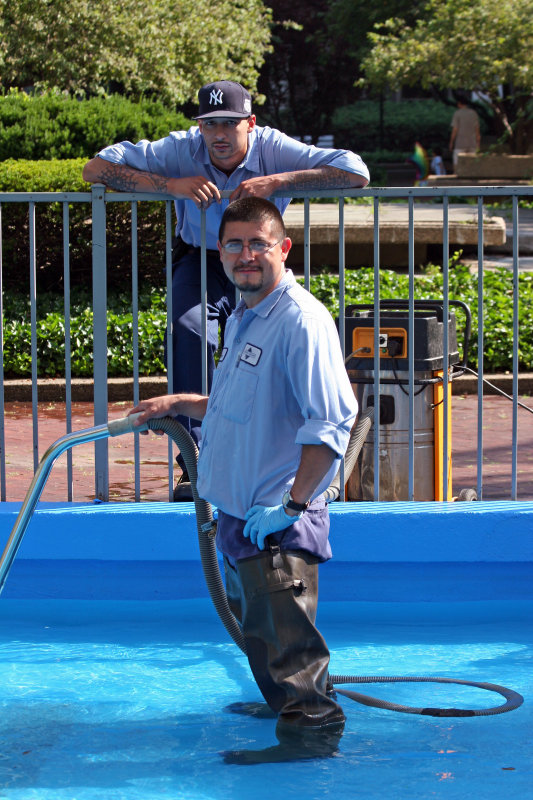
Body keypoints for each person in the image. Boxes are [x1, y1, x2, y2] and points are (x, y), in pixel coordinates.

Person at [129, 197, 358, 763]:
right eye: (234, 244)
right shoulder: (243, 315)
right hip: (240, 518)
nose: (245, 255)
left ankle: (309, 736)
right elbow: (245, 403)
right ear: (220, 253)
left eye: (258, 243)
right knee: (264, 633)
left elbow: (332, 421)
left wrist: (293, 505)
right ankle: (283, 701)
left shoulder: (301, 321)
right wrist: (185, 402)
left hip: (274, 521)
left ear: (283, 248)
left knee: (288, 642)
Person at [83, 80, 369, 500]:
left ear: (250, 124)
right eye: (209, 124)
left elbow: (356, 171)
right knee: (190, 330)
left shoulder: (273, 147)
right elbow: (95, 169)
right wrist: (170, 186)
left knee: (275, 352)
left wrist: (278, 182)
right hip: (203, 260)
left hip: (261, 268)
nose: (218, 135)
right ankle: (195, 461)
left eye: (230, 125)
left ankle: (286, 468)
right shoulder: (182, 149)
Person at [448, 93, 480, 171]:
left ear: (459, 103)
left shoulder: (457, 114)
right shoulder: (474, 113)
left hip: (460, 143)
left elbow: (455, 129)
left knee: (457, 162)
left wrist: (451, 142)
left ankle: (457, 176)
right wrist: (478, 143)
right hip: (472, 143)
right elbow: (477, 130)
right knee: (472, 164)